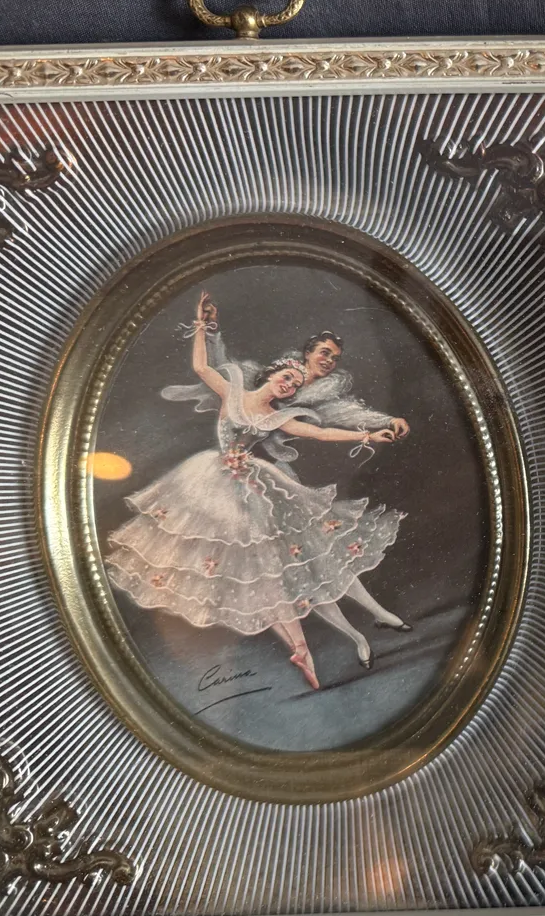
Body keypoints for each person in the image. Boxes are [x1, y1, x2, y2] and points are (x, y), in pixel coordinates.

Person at [106, 292, 405, 690]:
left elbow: (320, 432)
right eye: (287, 377)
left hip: (253, 484)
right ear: (273, 374)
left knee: (280, 560)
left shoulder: (280, 416)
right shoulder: (233, 392)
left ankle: (317, 642)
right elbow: (200, 366)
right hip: (212, 482)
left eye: (293, 385)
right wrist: (202, 326)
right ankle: (302, 648)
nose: (288, 385)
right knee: (249, 566)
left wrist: (368, 435)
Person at [162, 300, 414, 636]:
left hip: (273, 482)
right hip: (231, 487)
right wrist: (206, 328)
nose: (328, 361)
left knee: (315, 550)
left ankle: (370, 618)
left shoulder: (301, 404)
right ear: (304, 355)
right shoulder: (245, 385)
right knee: (274, 563)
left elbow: (333, 423)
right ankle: (328, 640)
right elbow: (211, 367)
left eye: (335, 358)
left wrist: (377, 428)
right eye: (324, 353)